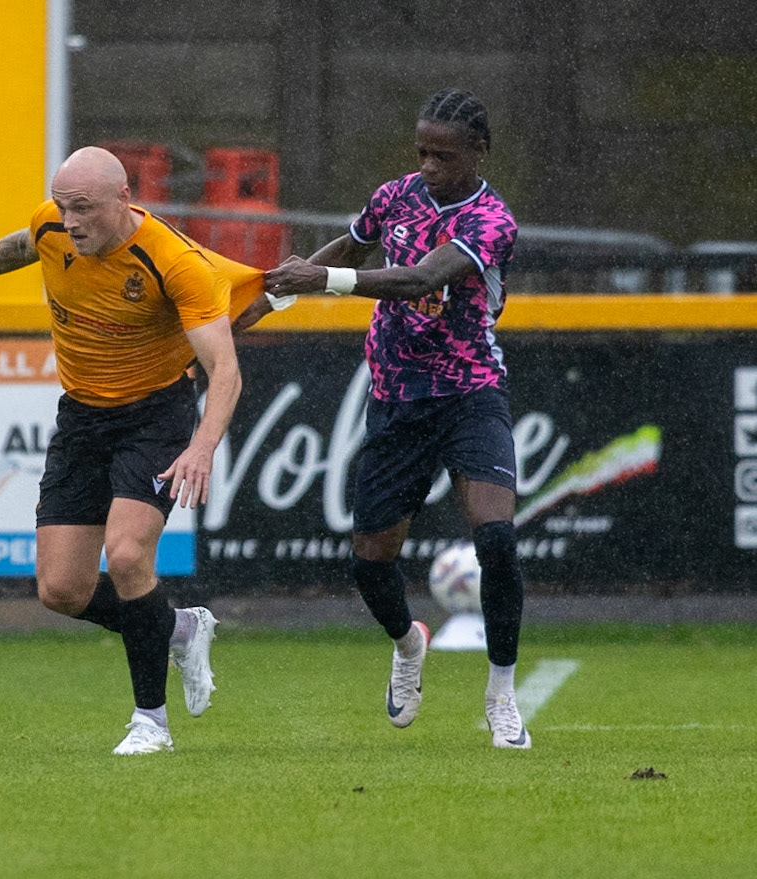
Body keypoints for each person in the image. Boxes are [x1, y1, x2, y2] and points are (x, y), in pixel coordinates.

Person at [0, 146, 263, 755]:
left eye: (84, 209)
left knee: (125, 557)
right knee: (60, 590)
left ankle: (151, 724)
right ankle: (178, 626)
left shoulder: (174, 262)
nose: (71, 222)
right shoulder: (54, 225)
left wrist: (202, 446)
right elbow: (22, 243)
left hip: (156, 417)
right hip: (82, 418)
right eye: (64, 208)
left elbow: (224, 368)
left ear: (124, 200)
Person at [263, 88, 530, 749]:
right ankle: (408, 642)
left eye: (443, 155)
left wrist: (319, 285)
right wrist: (276, 294)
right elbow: (351, 247)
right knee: (369, 561)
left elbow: (418, 280)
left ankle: (500, 691)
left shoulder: (492, 219)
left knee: (495, 538)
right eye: (422, 153)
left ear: (477, 151)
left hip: (471, 391)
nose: (429, 166)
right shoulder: (393, 196)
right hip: (398, 398)